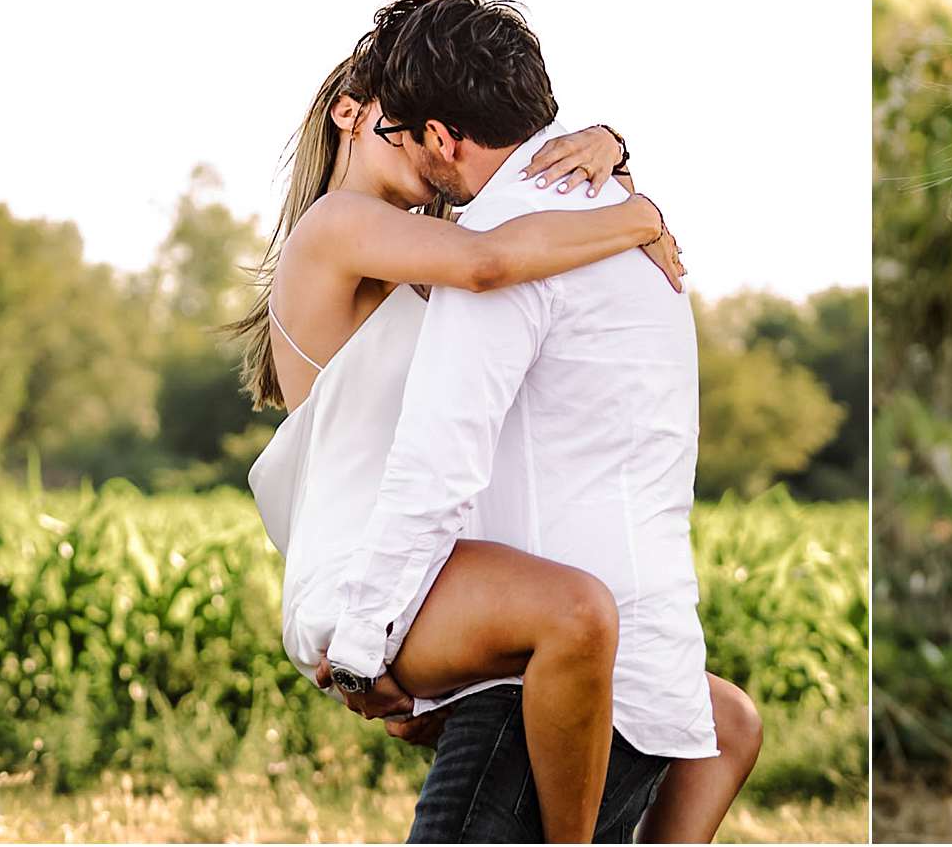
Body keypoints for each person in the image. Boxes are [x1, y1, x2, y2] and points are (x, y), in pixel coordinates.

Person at [242, 50, 759, 842]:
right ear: (350, 115)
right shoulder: (338, 226)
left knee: (721, 719)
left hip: (432, 564)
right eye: (399, 122)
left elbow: (510, 222)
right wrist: (635, 216)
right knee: (575, 612)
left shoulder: (414, 237)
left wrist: (610, 146)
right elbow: (490, 261)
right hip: (367, 570)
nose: (422, 143)